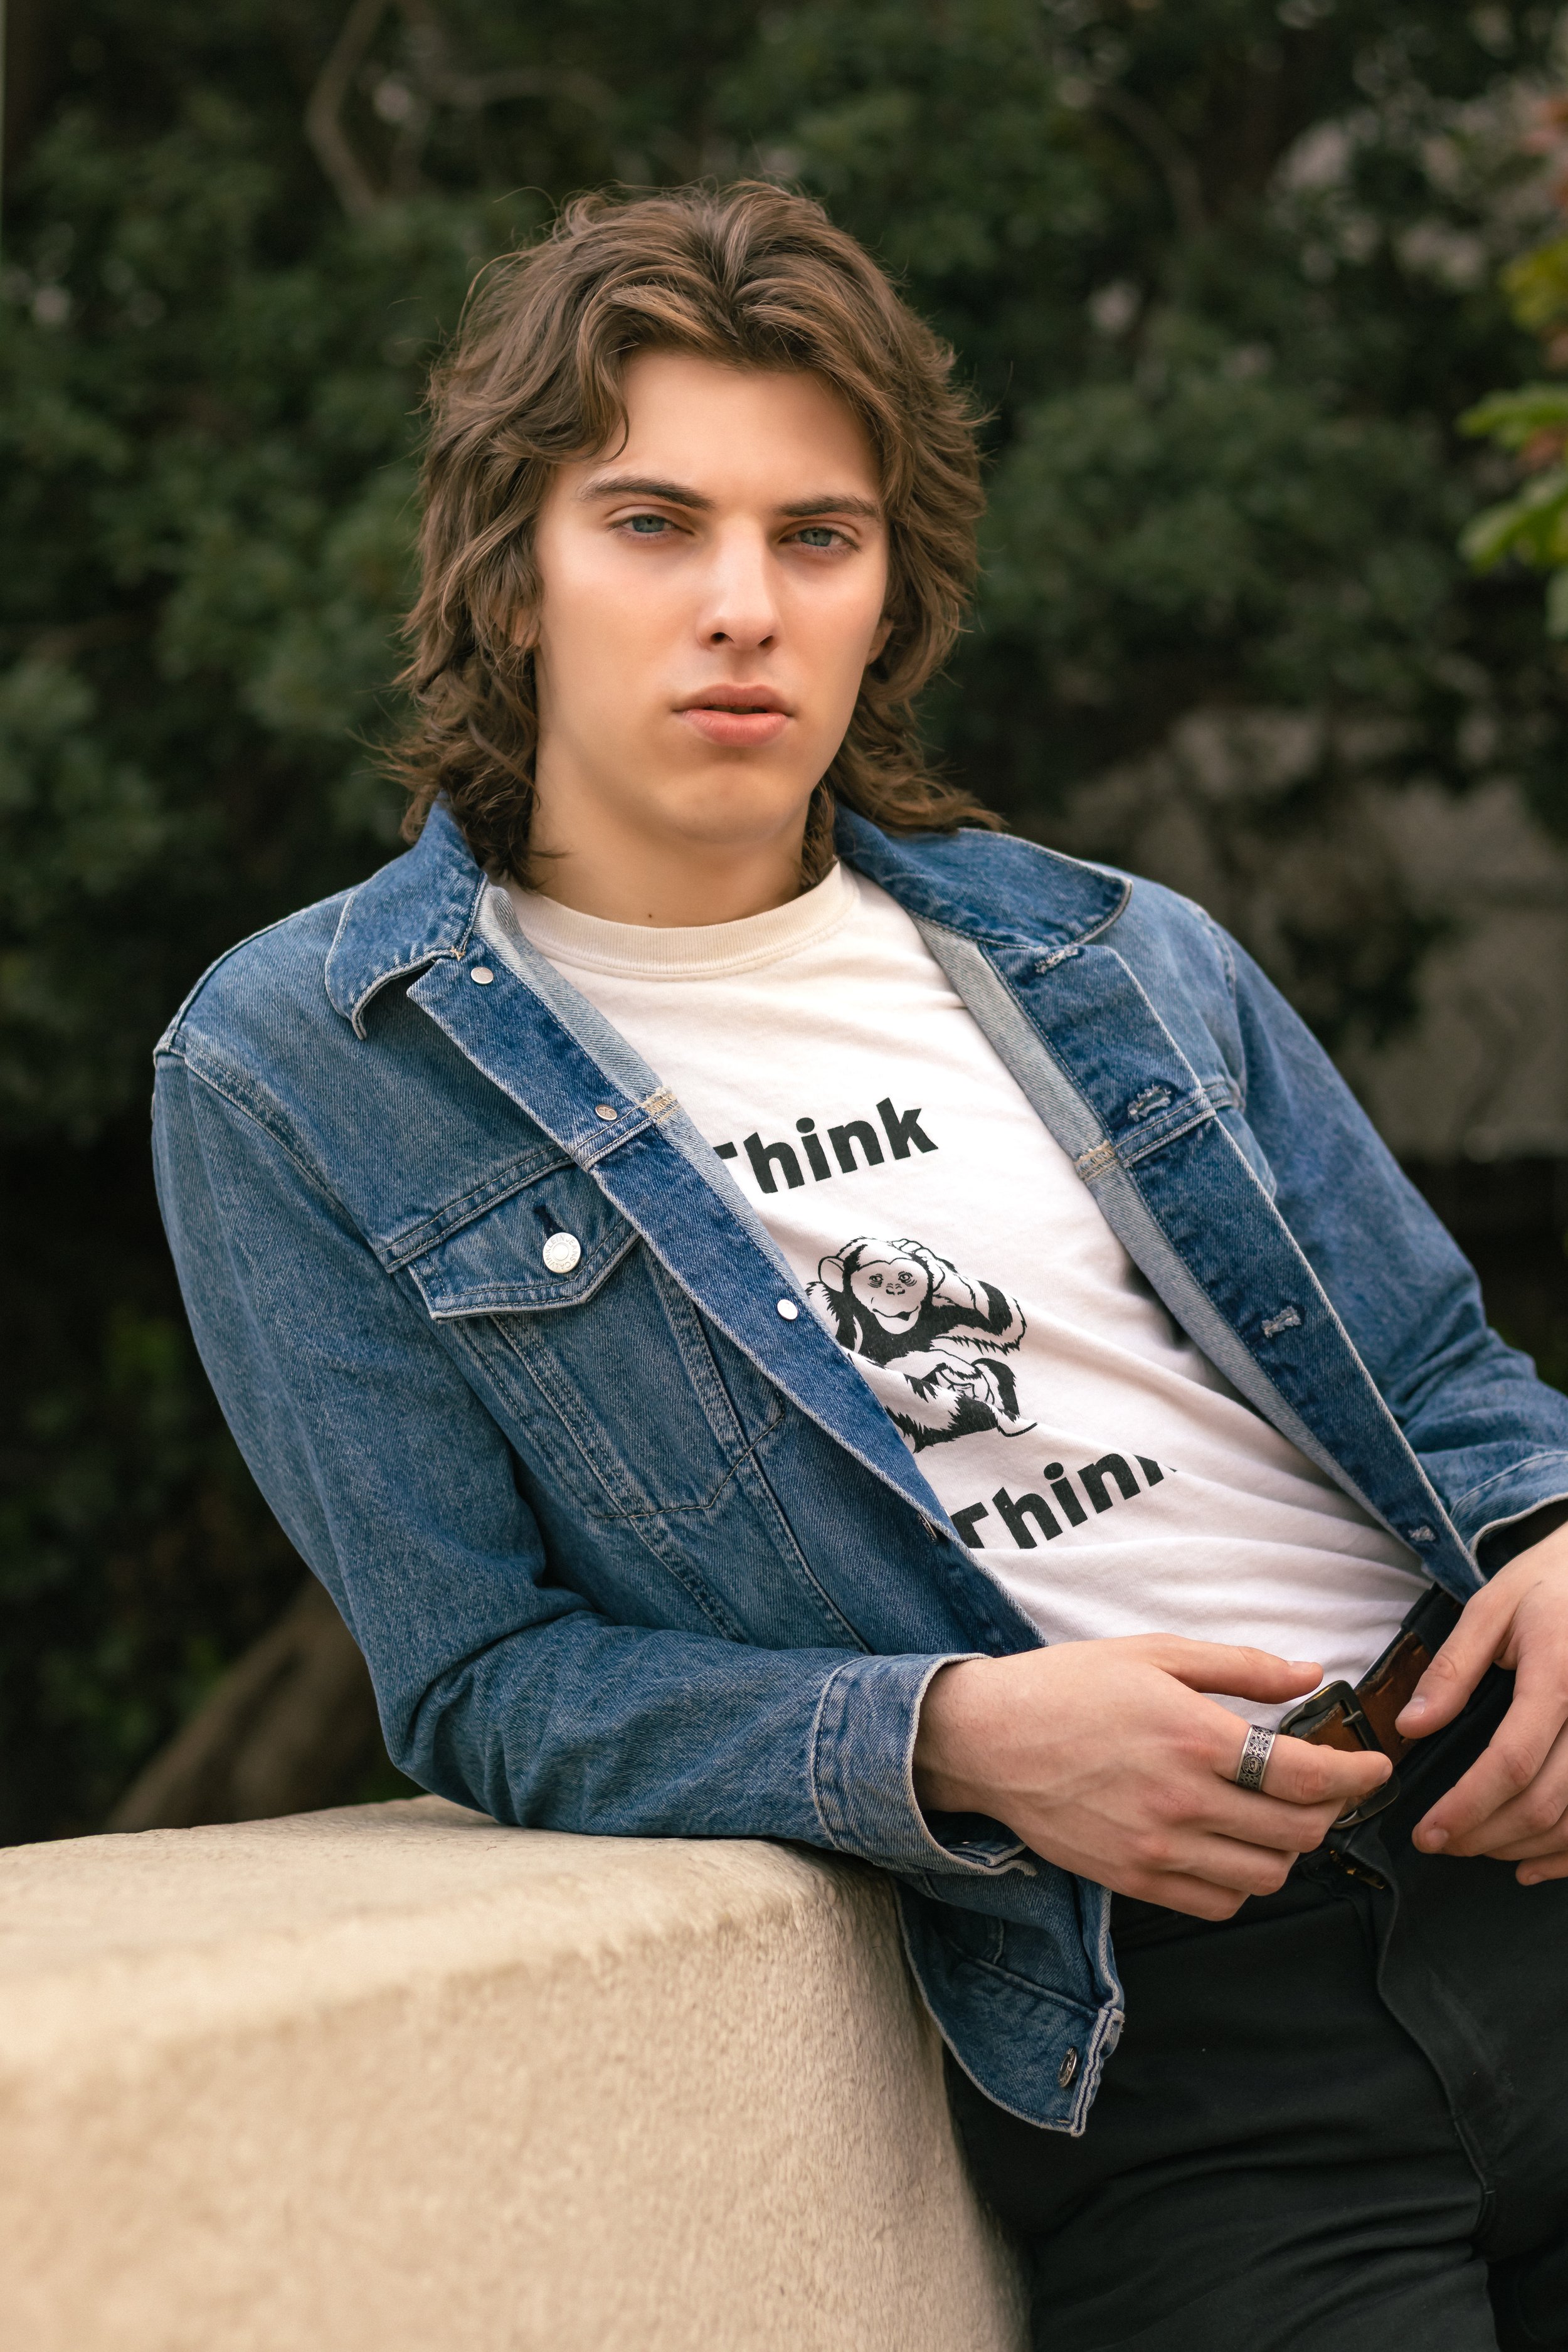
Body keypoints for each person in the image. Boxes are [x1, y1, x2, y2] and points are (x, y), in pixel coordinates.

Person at [152, 183, 1568, 2351]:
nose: (744, 607)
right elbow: (478, 1679)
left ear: (887, 588)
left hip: (1514, 1837)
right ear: (509, 569)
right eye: (651, 524)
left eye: (817, 536)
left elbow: (1450, 1390)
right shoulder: (303, 1069)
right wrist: (954, 1738)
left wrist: (1555, 1528)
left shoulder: (1106, 948)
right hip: (1169, 2036)